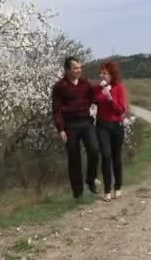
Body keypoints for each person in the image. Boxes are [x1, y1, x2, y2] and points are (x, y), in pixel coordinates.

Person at [52, 56, 100, 198]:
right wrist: (60, 129)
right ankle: (78, 193)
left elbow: (95, 99)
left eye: (80, 67)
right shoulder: (59, 86)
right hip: (70, 126)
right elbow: (56, 110)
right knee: (74, 159)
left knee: (94, 149)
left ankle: (90, 180)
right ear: (67, 70)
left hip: (86, 122)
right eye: (75, 68)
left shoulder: (85, 84)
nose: (79, 70)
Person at [93, 62, 127, 202]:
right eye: (101, 73)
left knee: (116, 157)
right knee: (106, 156)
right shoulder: (97, 88)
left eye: (105, 73)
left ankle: (117, 187)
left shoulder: (118, 88)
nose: (102, 75)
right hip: (102, 126)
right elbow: (91, 100)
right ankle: (107, 190)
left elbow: (120, 110)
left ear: (112, 75)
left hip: (116, 126)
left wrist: (110, 98)